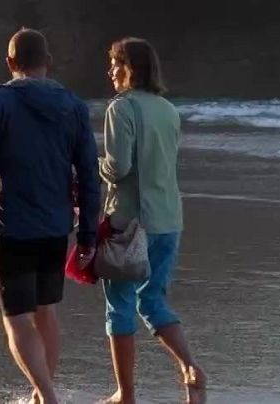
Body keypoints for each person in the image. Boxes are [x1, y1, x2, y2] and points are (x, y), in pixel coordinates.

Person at [0, 28, 101, 404]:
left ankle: (47, 396)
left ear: (10, 63)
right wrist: (87, 236)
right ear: (48, 62)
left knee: (16, 316)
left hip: (12, 227)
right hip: (56, 228)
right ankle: (41, 392)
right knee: (46, 310)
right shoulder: (74, 106)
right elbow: (88, 175)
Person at [99, 37, 207, 404]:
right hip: (168, 217)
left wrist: (92, 167)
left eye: (115, 64)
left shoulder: (122, 108)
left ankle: (125, 394)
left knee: (120, 305)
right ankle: (190, 367)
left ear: (129, 68)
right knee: (154, 300)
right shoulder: (167, 109)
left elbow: (119, 167)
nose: (110, 70)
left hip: (130, 222)